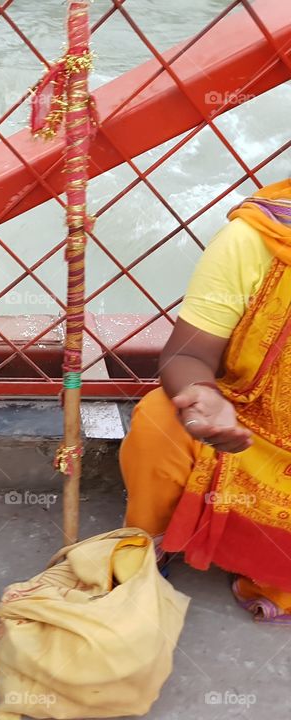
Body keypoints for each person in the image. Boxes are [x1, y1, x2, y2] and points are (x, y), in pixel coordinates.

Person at [120, 178, 291, 622]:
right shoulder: (257, 237)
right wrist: (202, 398)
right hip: (244, 432)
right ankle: (148, 545)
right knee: (160, 421)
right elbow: (188, 355)